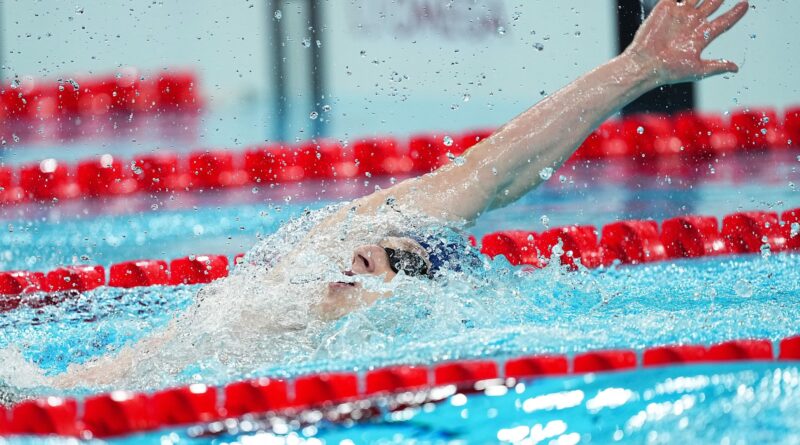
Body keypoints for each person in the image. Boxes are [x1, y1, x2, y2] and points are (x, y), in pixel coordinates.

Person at [4, 0, 749, 394]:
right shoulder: (295, 269)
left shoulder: (375, 348)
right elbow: (498, 170)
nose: (347, 266)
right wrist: (631, 67)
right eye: (360, 253)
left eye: (373, 268)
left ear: (406, 298)